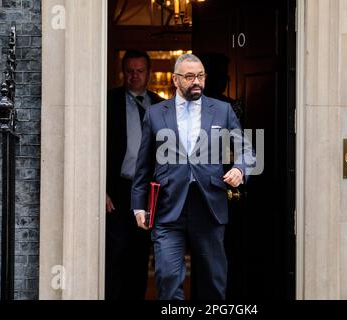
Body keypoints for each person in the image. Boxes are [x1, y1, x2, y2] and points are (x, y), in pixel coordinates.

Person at [131, 54, 254, 300]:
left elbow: (246, 149)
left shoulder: (222, 110)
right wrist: (138, 206)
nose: (196, 81)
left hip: (209, 207)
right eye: (189, 77)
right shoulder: (156, 114)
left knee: (213, 280)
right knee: (166, 277)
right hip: (168, 207)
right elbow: (143, 165)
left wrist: (240, 169)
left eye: (200, 76)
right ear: (175, 80)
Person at [106, 50, 164, 300]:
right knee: (116, 253)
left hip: (151, 189)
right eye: (129, 71)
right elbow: (96, 146)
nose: (134, 76)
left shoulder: (161, 105)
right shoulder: (108, 102)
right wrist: (102, 188)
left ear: (148, 73)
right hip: (118, 188)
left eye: (140, 71)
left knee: (141, 255)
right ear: (122, 73)